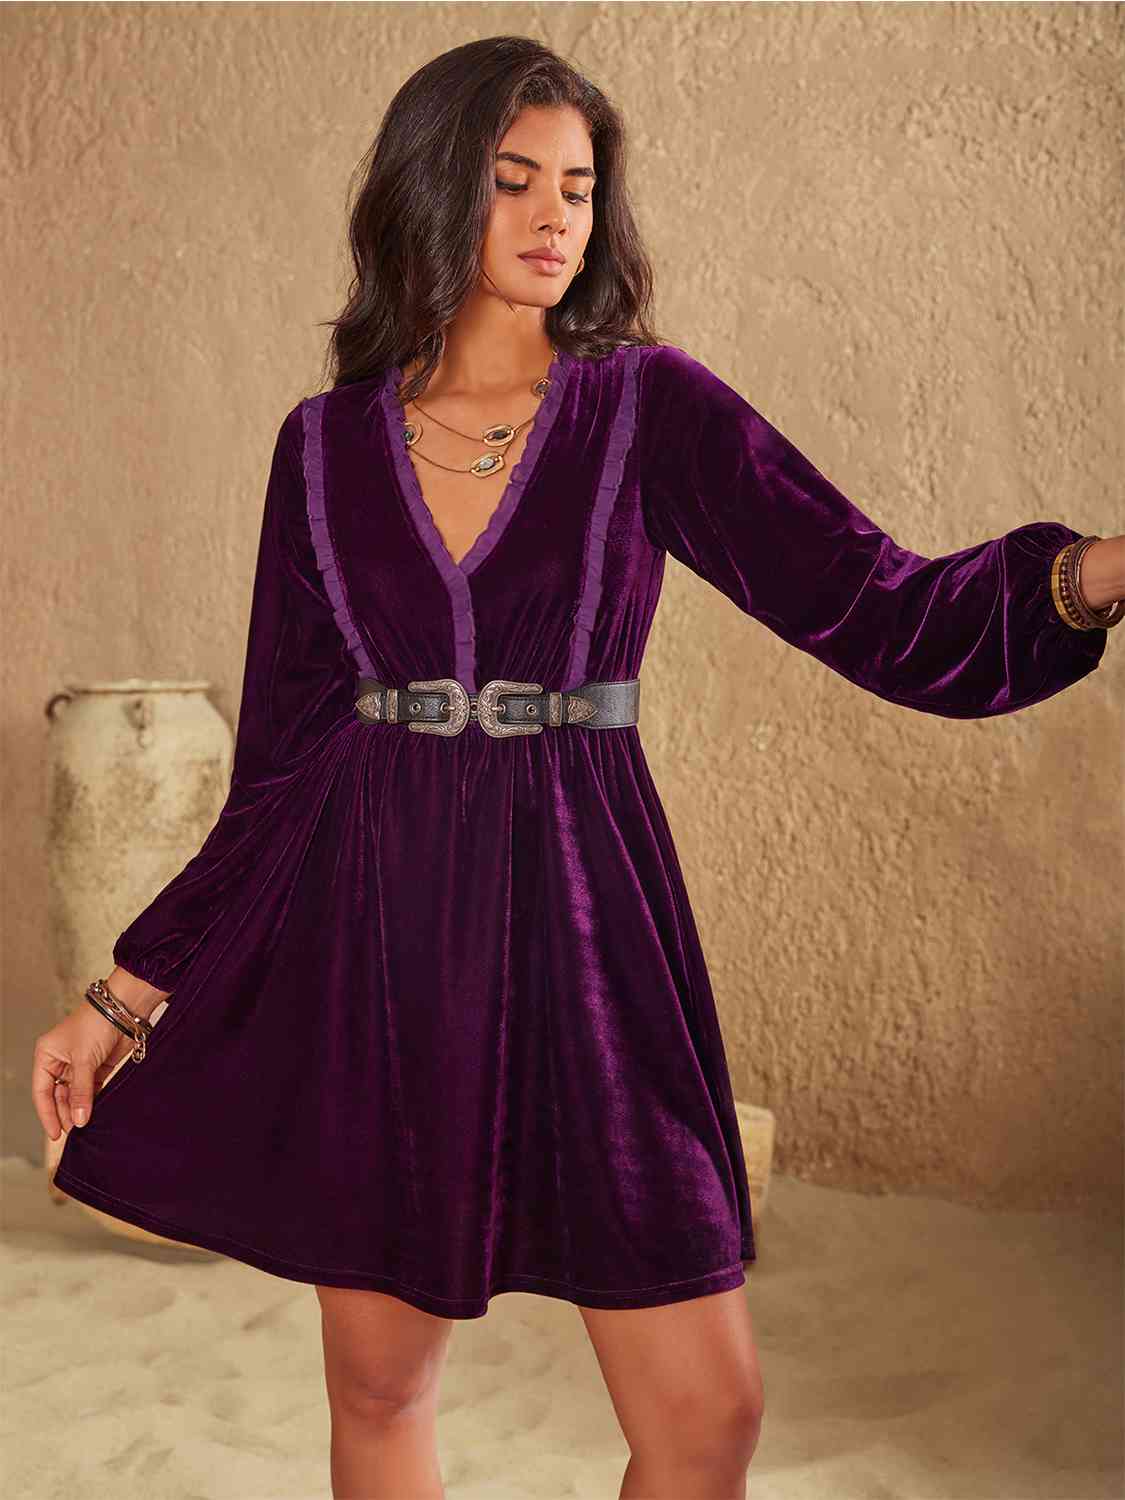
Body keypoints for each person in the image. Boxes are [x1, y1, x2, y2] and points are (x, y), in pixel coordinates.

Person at [33, 34, 1121, 1500]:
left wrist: (1096, 574)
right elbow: (282, 763)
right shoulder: (322, 447)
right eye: (514, 181)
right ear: (433, 190)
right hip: (380, 927)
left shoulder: (647, 407)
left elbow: (881, 610)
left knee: (705, 1419)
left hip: (587, 918)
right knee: (380, 1386)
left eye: (580, 187)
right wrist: (123, 993)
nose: (556, 217)